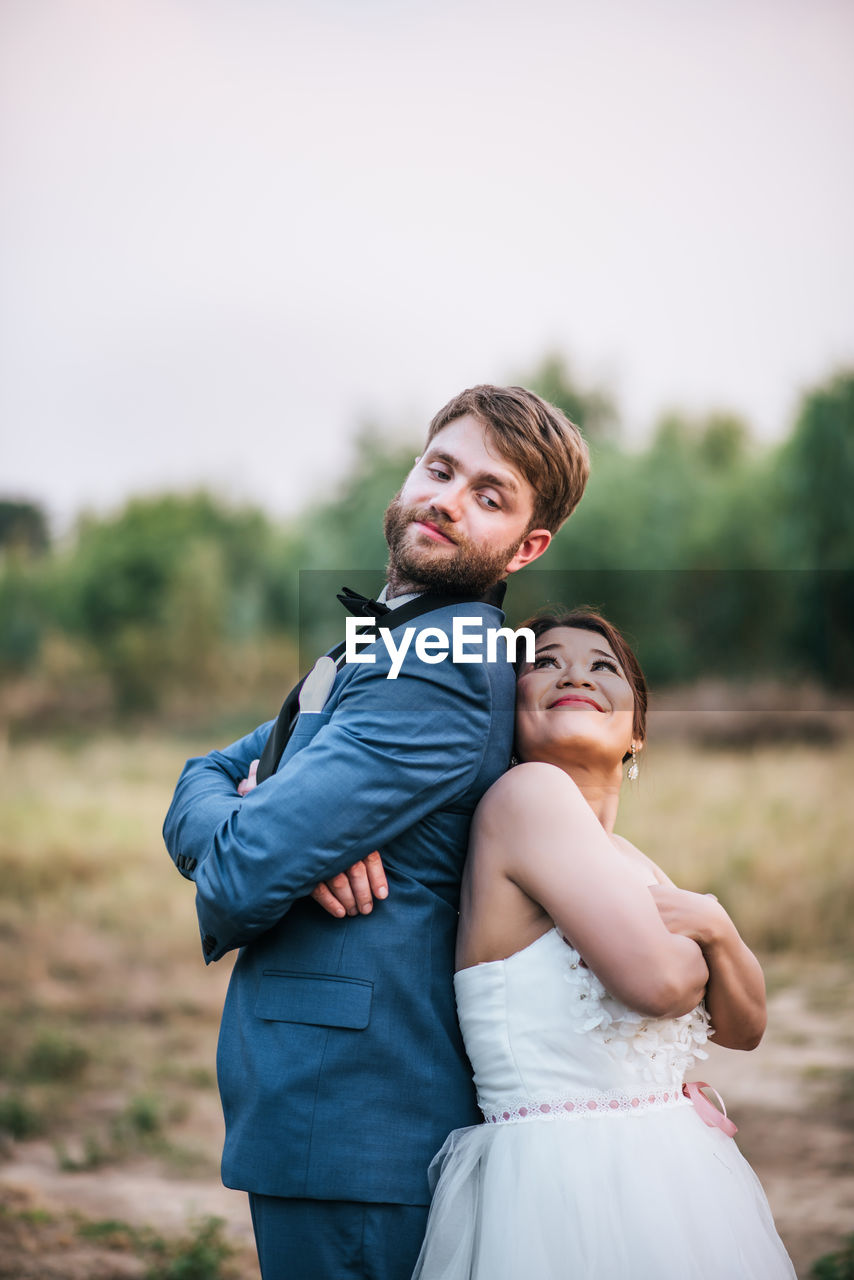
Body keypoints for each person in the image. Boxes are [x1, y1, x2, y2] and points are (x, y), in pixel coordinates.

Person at [162, 386, 590, 1280]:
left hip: (359, 1118)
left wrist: (272, 828)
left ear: (527, 544)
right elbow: (197, 780)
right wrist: (280, 823)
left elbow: (239, 870)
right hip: (326, 1112)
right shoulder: (384, 646)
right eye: (441, 469)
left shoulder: (440, 668)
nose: (447, 498)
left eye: (489, 494)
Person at [412, 609, 796, 1280]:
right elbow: (661, 985)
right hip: (564, 1183)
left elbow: (745, 1027)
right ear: (509, 709)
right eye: (545, 662)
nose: (574, 674)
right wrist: (704, 943)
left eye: (602, 665)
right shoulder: (527, 796)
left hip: (672, 1173)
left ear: (637, 732)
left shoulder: (630, 859)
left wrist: (714, 922)